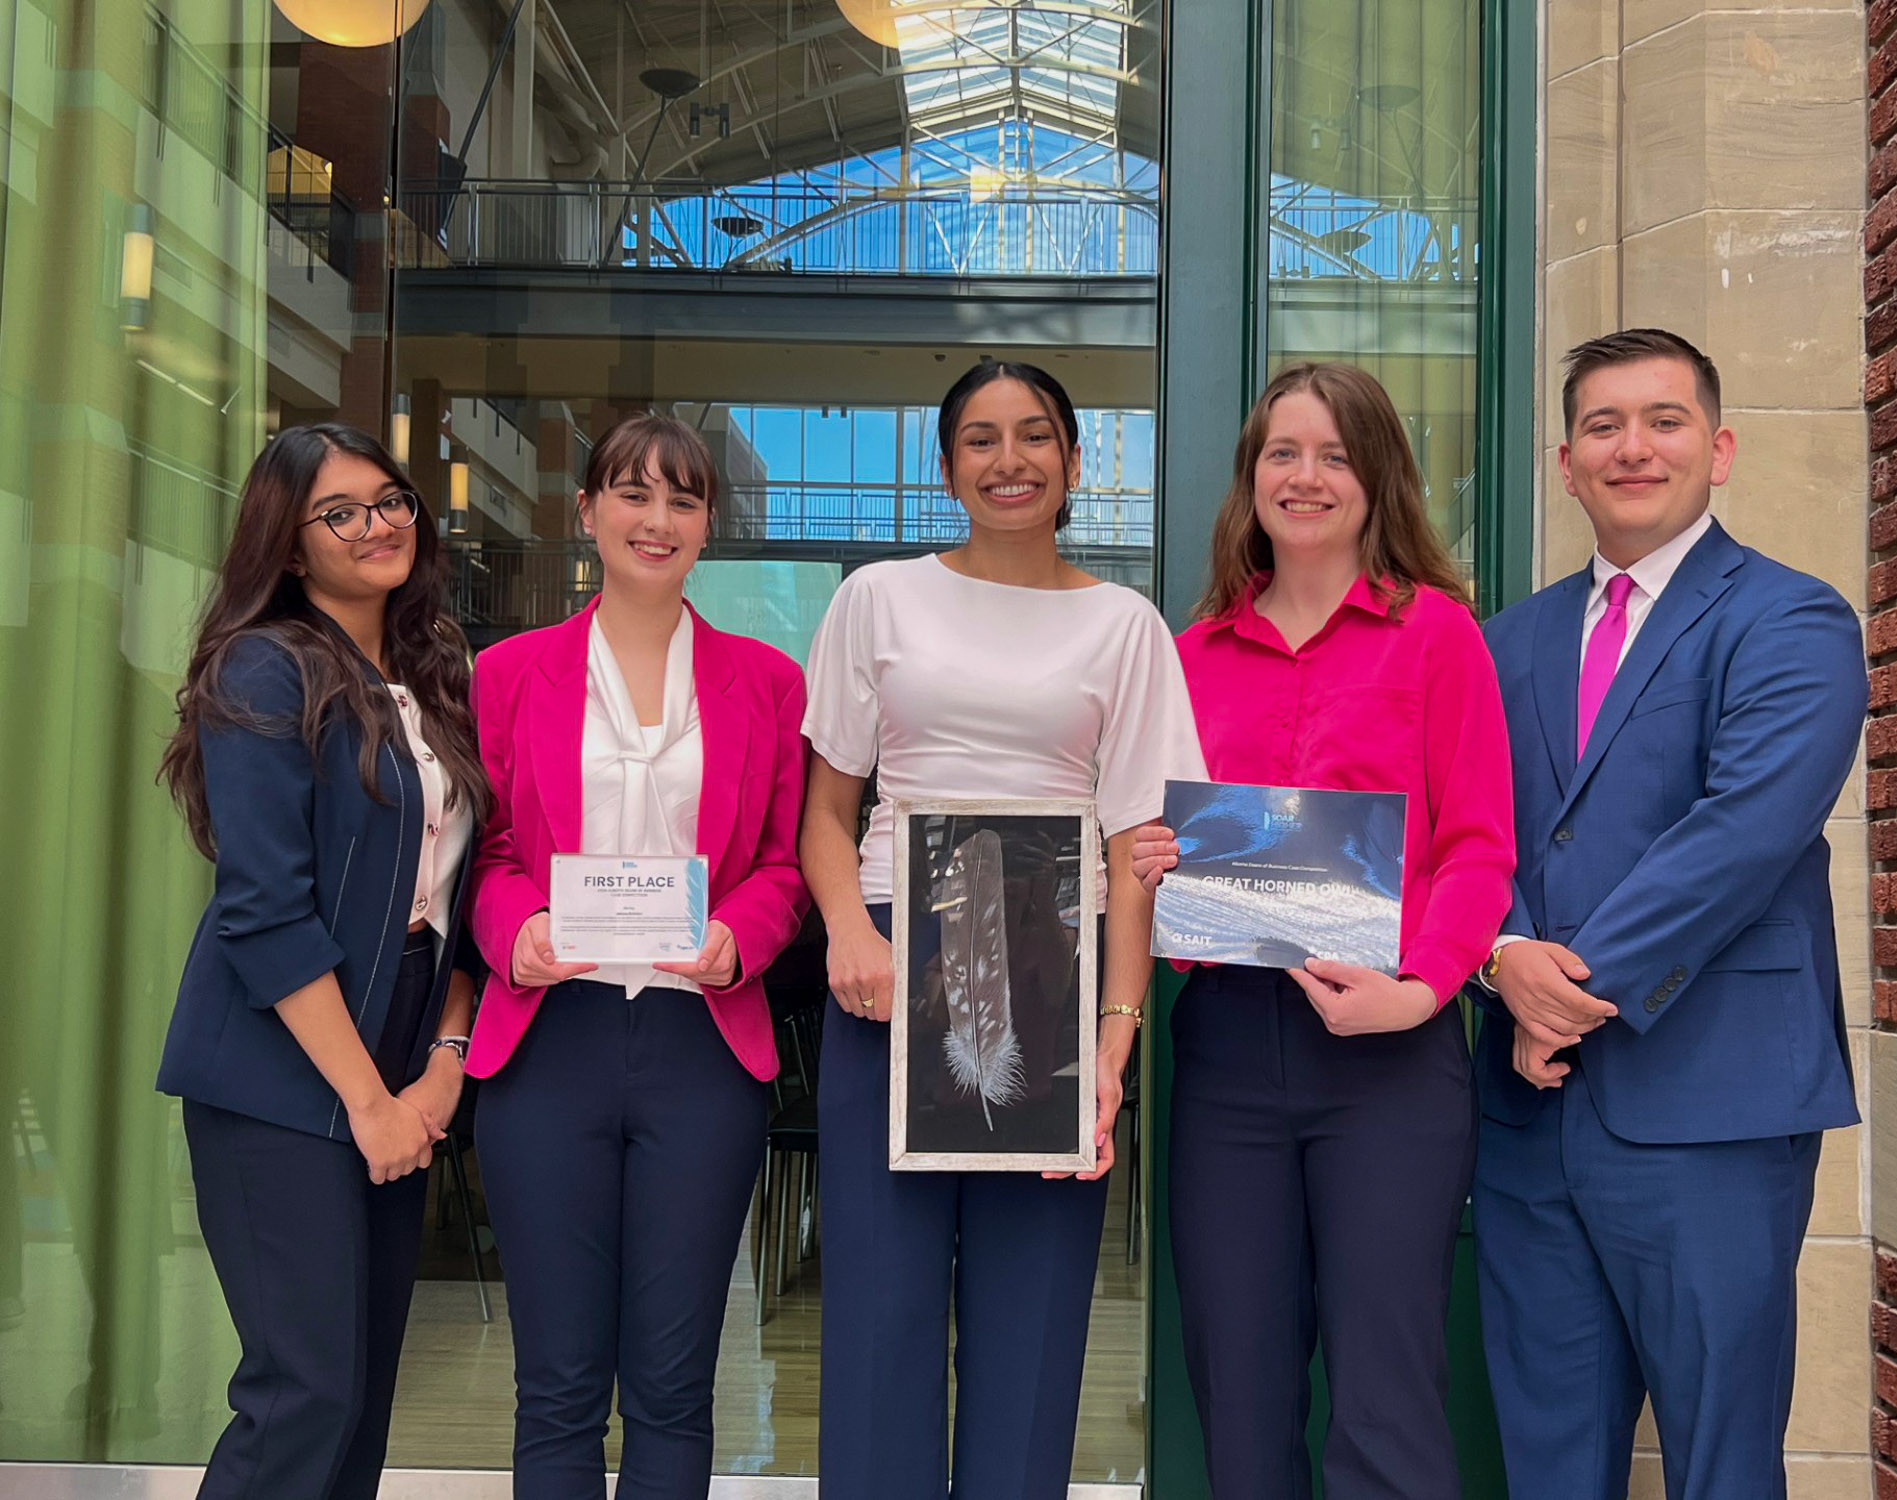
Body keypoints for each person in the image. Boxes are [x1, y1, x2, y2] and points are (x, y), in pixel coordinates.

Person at [801, 360, 1205, 1500]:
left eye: (1035, 437)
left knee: (1030, 1328)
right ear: (947, 468)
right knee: (878, 1316)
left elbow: (1136, 849)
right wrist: (847, 927)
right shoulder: (874, 599)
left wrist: (1114, 1043)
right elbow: (824, 815)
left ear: (1074, 463)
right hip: (888, 964)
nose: (1008, 459)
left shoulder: (1124, 625)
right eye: (980, 439)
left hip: (1048, 963)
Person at [1474, 328, 1867, 1500]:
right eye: (1602, 425)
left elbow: (1741, 832)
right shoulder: (1505, 640)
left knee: (1717, 1459)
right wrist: (1499, 959)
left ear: (1719, 448)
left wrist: (1563, 991)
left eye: (1661, 421)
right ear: (1563, 461)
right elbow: (1463, 828)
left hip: (1713, 1108)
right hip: (1528, 1123)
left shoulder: (1792, 622)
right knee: (1545, 1455)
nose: (1631, 447)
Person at [1130, 361, 1516, 1498]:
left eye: (1334, 455)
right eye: (1282, 454)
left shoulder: (1437, 638)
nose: (1305, 478)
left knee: (1385, 1395)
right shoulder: (1184, 657)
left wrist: (1426, 986)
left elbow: (1477, 847)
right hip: (1226, 1050)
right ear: (1249, 479)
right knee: (1237, 1391)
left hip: (1390, 1051)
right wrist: (1147, 862)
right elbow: (1145, 845)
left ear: (1376, 477)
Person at [464, 412, 809, 1500]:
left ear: (709, 524)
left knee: (672, 1383)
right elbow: (490, 853)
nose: (656, 521)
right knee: (557, 1382)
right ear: (587, 512)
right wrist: (512, 929)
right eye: (632, 494)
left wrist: (736, 939)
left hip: (699, 1046)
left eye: (682, 500)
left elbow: (782, 870)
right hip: (546, 1042)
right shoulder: (508, 674)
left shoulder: (767, 683)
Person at [157, 424, 490, 1500]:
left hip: (394, 1046)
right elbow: (263, 912)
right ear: (289, 547)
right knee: (303, 1393)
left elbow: (448, 896)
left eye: (390, 501)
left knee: (358, 1394)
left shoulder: (431, 674)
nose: (376, 526)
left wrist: (439, 1062)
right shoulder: (262, 667)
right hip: (280, 1062)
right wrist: (368, 1100)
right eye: (338, 513)